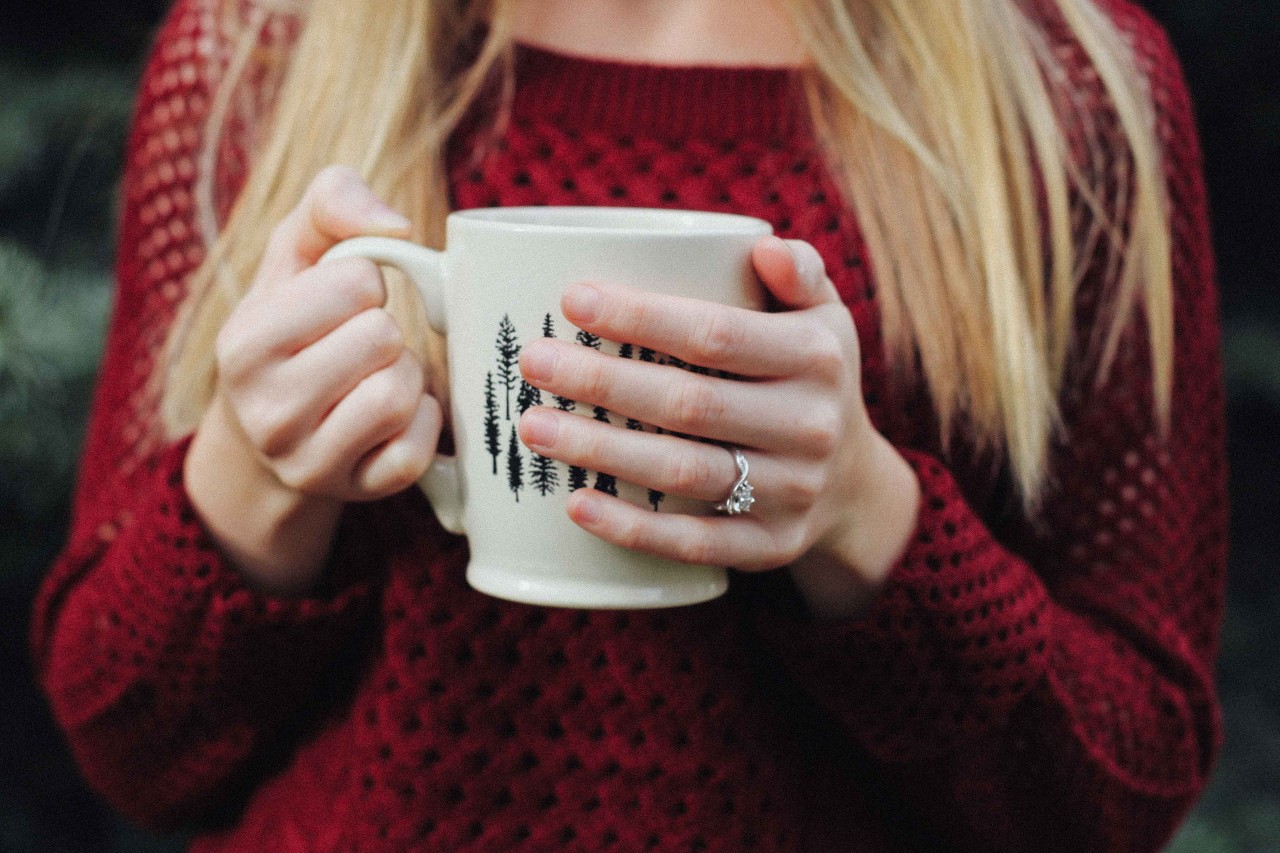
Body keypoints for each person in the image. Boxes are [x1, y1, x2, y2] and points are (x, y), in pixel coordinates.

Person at [32, 0, 1227, 849]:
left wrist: (863, 513)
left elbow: (1122, 789)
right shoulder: (263, 49)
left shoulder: (1063, 85)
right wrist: (256, 479)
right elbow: (127, 745)